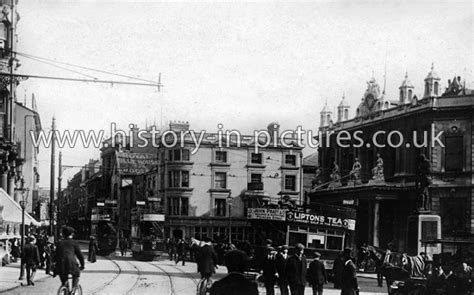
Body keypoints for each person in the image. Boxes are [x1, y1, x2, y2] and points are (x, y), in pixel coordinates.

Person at [54, 226, 85, 290]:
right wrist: (82, 265)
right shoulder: (74, 243)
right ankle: (74, 289)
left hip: (61, 265)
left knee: (64, 279)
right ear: (72, 234)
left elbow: (56, 255)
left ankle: (64, 286)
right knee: (76, 275)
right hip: (72, 264)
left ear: (63, 234)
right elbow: (80, 255)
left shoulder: (59, 243)